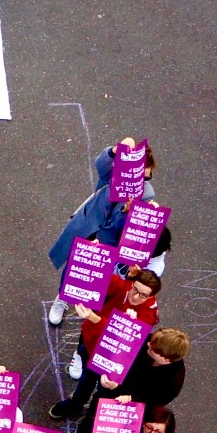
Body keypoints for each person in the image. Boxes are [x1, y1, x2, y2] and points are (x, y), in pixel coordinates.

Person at [46, 137, 156, 325]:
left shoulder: (146, 195)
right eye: (140, 177)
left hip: (109, 239)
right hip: (87, 227)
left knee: (97, 272)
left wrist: (127, 212)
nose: (143, 182)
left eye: (147, 178)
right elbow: (101, 163)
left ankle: (88, 302)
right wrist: (115, 150)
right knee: (73, 265)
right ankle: (63, 297)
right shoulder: (113, 175)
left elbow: (125, 229)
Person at [52, 325, 189, 433]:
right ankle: (75, 405)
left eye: (152, 347)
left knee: (104, 407)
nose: (148, 344)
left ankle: (91, 421)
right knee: (97, 394)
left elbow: (152, 401)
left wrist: (127, 394)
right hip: (116, 379)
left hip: (128, 397)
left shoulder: (173, 382)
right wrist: (107, 369)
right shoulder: (149, 340)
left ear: (165, 359)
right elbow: (117, 349)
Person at [49, 266, 161, 405]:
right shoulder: (125, 286)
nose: (136, 296)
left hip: (111, 357)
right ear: (132, 283)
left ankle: (92, 410)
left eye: (143, 295)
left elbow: (120, 336)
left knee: (104, 389)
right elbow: (100, 278)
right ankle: (75, 404)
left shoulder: (148, 315)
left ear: (151, 296)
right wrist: (93, 257)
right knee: (86, 379)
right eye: (135, 290)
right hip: (91, 342)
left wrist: (95, 318)